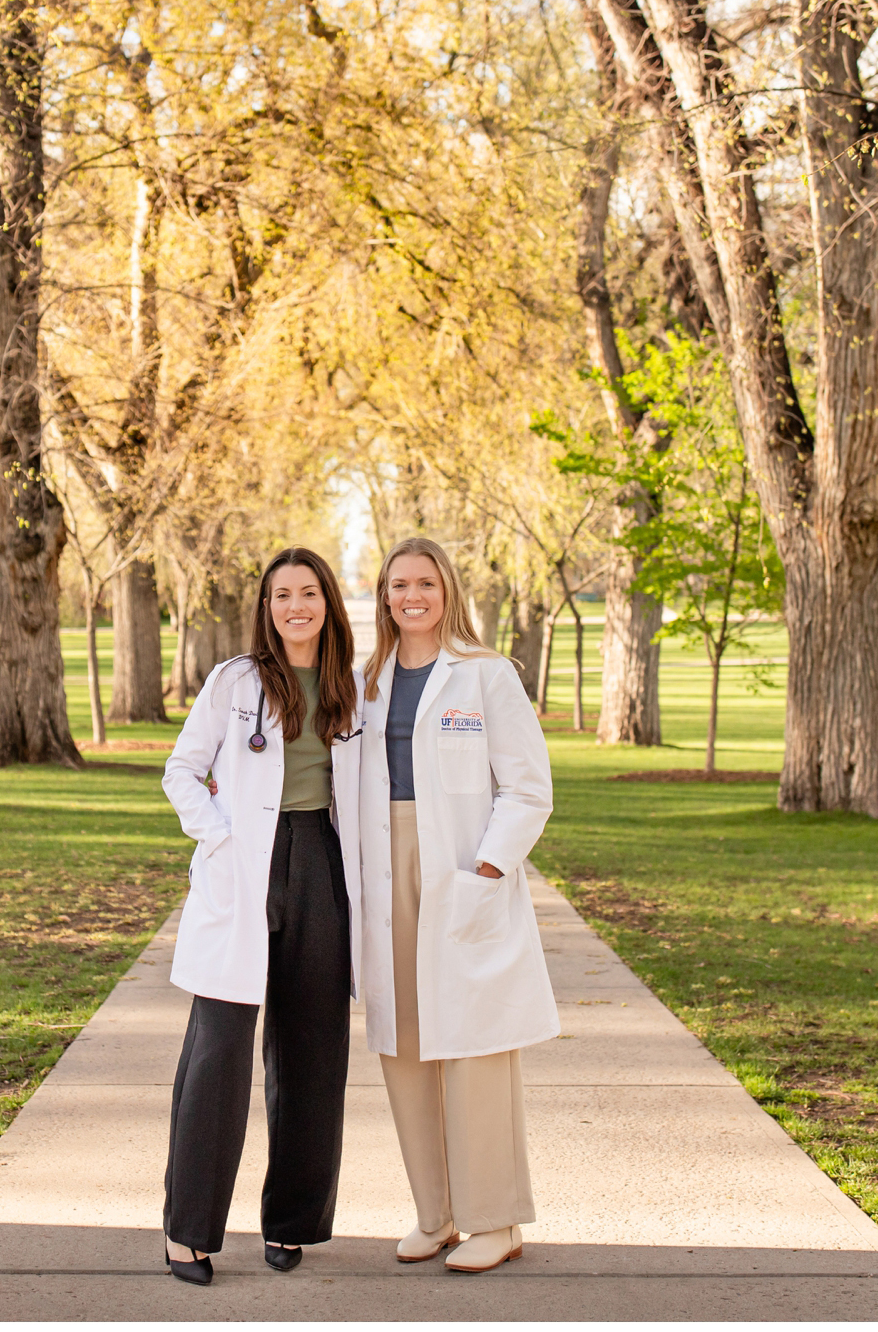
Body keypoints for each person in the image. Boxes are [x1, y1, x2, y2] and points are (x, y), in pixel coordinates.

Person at [157, 546, 363, 1285]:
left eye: (308, 593)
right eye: (282, 595)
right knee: (218, 1052)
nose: (296, 606)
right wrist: (220, 836)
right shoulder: (235, 680)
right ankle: (188, 1230)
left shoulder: (352, 686)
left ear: (327, 602)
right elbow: (181, 768)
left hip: (321, 863)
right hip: (243, 864)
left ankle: (292, 1222)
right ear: (266, 606)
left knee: (311, 1052)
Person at [357, 536, 556, 1274]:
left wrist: (488, 863)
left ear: (448, 591)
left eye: (426, 583)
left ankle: (496, 1219)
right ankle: (434, 1214)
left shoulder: (487, 674)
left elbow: (529, 788)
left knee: (476, 1046)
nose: (412, 595)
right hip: (388, 871)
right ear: (383, 595)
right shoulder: (366, 680)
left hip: (461, 870)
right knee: (404, 1044)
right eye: (399, 583)